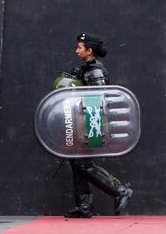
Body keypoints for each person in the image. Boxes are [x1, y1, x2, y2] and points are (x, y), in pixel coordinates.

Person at [63, 33, 133, 218]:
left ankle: (120, 190)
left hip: (91, 121)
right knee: (76, 162)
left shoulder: (95, 71)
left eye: (80, 47)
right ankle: (84, 206)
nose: (77, 50)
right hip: (82, 120)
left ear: (89, 50)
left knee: (83, 164)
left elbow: (99, 98)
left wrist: (92, 127)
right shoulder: (86, 69)